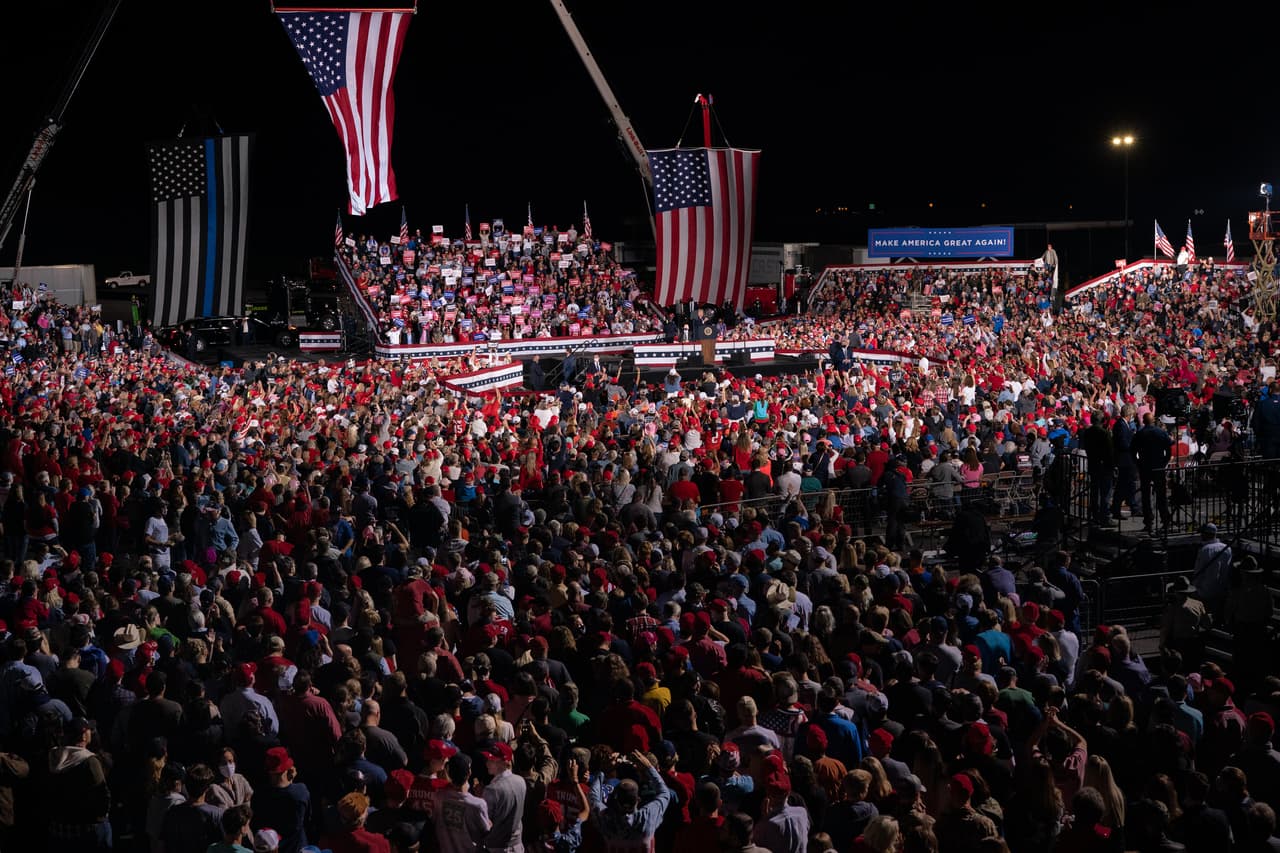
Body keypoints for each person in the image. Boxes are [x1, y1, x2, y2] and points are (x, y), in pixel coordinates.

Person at [1134, 413, 1173, 533]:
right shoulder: (1160, 432)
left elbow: (1132, 450)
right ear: (1153, 421)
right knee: (1161, 495)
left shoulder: (1140, 433)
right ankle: (1165, 521)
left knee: (1146, 495)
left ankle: (1148, 522)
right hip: (1158, 466)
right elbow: (1169, 447)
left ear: (1144, 421)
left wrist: (1138, 462)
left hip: (1145, 467)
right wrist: (1164, 461)